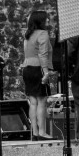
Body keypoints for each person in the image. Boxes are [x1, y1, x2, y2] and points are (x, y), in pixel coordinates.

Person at [22, 9, 56, 140]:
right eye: (46, 18)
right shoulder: (43, 34)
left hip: (27, 68)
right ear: (40, 20)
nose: (48, 20)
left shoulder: (27, 34)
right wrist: (46, 72)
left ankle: (35, 132)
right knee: (42, 101)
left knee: (33, 101)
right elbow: (43, 54)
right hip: (38, 69)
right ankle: (42, 132)